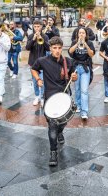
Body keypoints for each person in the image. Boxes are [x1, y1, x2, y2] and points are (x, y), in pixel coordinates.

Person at [31, 36, 77, 166]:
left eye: (59, 48)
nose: (57, 50)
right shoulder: (43, 61)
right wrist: (38, 79)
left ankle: (60, 131)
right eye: (54, 48)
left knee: (63, 122)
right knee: (52, 125)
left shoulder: (68, 61)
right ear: (50, 48)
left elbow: (74, 77)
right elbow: (33, 69)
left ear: (62, 48)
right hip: (50, 98)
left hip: (64, 97)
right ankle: (53, 152)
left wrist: (74, 77)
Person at [69, 27, 95, 119]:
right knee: (77, 89)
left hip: (85, 68)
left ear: (86, 34)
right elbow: (70, 52)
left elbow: (91, 54)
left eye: (83, 33)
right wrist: (77, 43)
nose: (81, 34)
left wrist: (85, 45)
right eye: (79, 33)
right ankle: (78, 106)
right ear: (77, 34)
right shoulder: (74, 42)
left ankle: (84, 111)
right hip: (76, 68)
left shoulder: (89, 43)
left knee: (84, 90)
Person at [26, 20, 50, 106]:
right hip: (33, 63)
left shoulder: (45, 36)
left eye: (38, 26)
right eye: (35, 26)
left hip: (43, 62)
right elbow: (27, 48)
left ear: (41, 27)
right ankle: (37, 96)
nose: (37, 28)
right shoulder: (30, 36)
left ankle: (43, 97)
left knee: (42, 80)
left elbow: (48, 48)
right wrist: (33, 39)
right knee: (35, 81)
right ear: (33, 27)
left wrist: (42, 39)